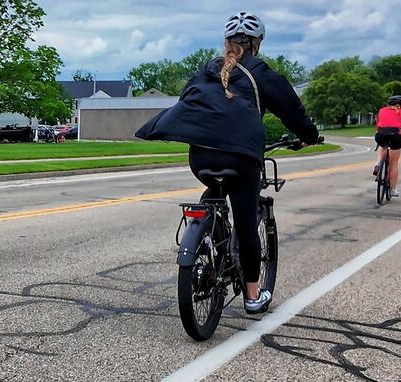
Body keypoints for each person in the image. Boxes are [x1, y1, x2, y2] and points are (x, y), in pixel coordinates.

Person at [136, 12, 319, 314]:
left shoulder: (205, 71)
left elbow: (187, 104)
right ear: (256, 44)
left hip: (201, 156)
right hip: (241, 156)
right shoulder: (261, 73)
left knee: (214, 192)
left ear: (226, 43)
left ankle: (207, 235)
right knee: (246, 220)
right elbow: (294, 112)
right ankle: (252, 295)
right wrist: (309, 136)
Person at [373, 95, 401, 197]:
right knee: (393, 164)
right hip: (394, 136)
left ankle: (377, 164)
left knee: (382, 146)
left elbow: (378, 124)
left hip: (380, 134)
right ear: (399, 105)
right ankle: (393, 189)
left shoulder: (382, 110)